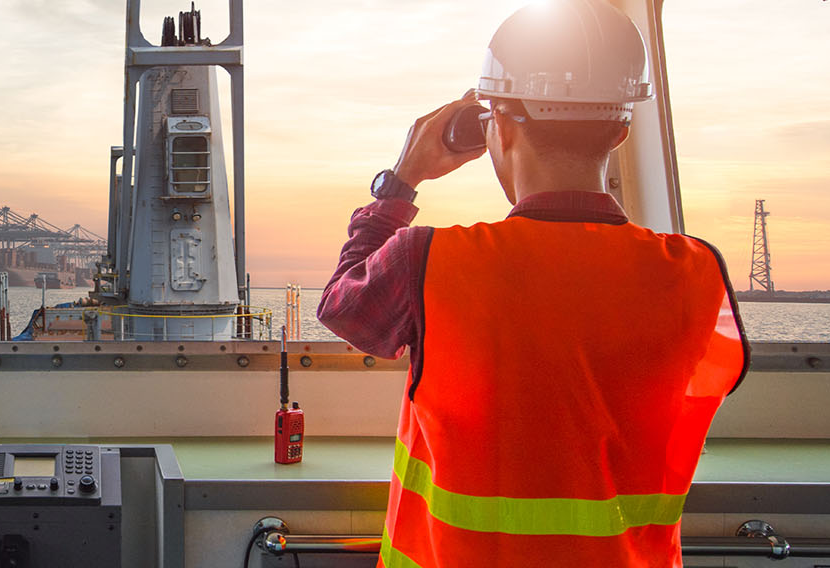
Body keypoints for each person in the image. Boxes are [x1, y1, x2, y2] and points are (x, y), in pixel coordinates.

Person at [315, 1, 749, 566]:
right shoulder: (695, 272)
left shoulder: (427, 260)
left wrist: (402, 180)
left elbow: (342, 307)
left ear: (498, 126)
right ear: (620, 131)